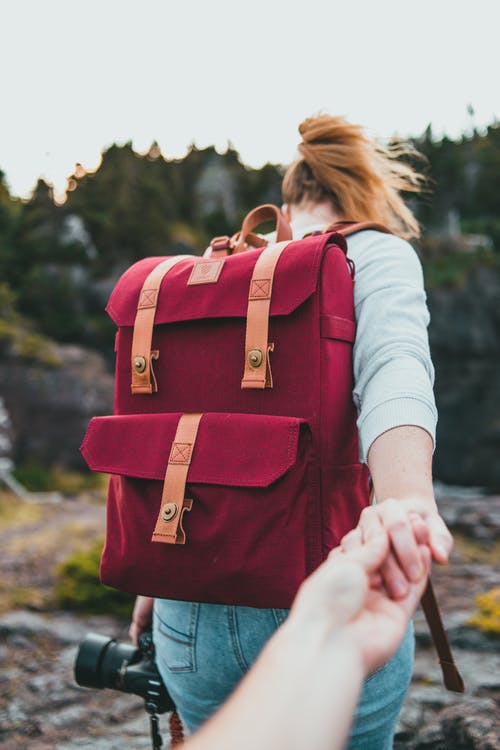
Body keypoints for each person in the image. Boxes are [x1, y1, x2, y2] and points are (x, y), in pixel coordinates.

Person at [130, 114, 454, 749]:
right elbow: (395, 369)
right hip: (331, 585)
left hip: (186, 602)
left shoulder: (228, 268)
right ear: (362, 193)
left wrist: (155, 571)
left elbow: (184, 434)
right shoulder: (377, 251)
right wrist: (407, 501)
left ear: (287, 202)